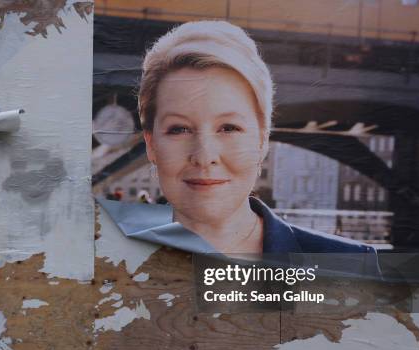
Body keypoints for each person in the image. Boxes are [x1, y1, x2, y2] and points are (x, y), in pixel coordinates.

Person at [134, 20, 380, 267]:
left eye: (229, 128)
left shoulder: (352, 265)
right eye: (179, 129)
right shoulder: (101, 269)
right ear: (151, 144)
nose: (204, 156)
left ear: (262, 140)